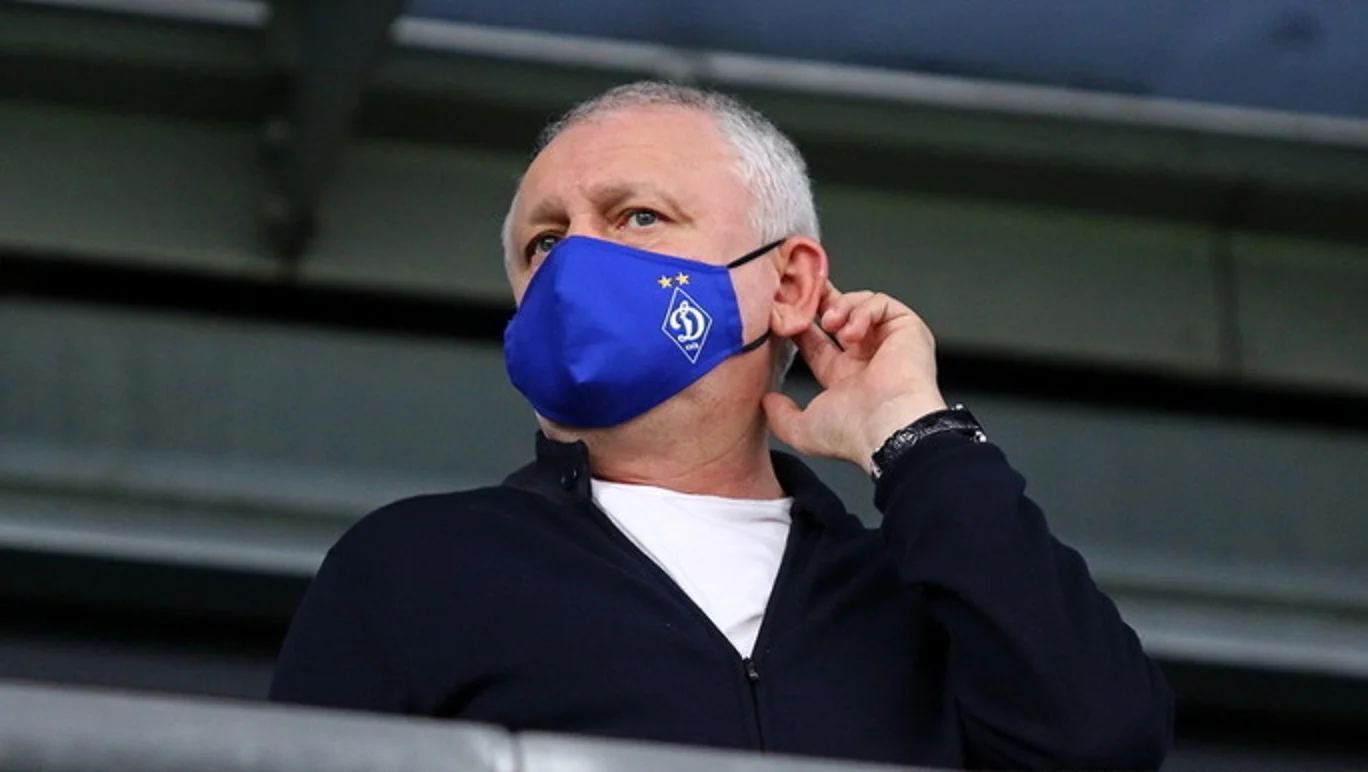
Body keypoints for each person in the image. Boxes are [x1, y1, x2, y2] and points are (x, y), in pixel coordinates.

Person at [269, 81, 1173, 770]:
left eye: (639, 217)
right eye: (544, 242)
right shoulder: (417, 566)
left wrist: (915, 437)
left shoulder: (920, 596)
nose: (576, 264)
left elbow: (1101, 743)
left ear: (789, 284)